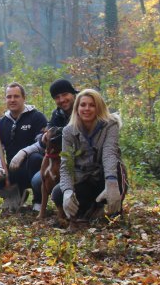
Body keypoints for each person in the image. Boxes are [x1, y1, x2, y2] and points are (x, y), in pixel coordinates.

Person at [52, 89, 127, 220]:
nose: (87, 109)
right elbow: (66, 164)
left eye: (92, 105)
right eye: (83, 105)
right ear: (77, 108)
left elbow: (109, 154)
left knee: (117, 167)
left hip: (104, 176)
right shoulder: (68, 131)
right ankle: (93, 207)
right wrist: (68, 191)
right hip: (83, 178)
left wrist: (111, 182)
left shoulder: (110, 125)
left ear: (99, 107)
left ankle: (113, 207)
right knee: (58, 193)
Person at [9, 78, 78, 211]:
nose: (62, 99)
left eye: (65, 95)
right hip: (62, 160)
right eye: (57, 97)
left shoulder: (84, 107)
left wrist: (56, 133)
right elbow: (43, 139)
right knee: (37, 181)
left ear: (73, 93)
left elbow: (74, 132)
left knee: (38, 164)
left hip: (80, 162)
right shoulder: (57, 114)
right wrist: (25, 150)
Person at [0, 82, 47, 207]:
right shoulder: (1, 123)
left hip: (32, 168)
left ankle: (38, 202)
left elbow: (43, 144)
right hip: (11, 170)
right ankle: (16, 196)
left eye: (16, 96)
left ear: (23, 98)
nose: (12, 100)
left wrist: (23, 153)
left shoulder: (37, 117)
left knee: (36, 158)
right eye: (9, 97)